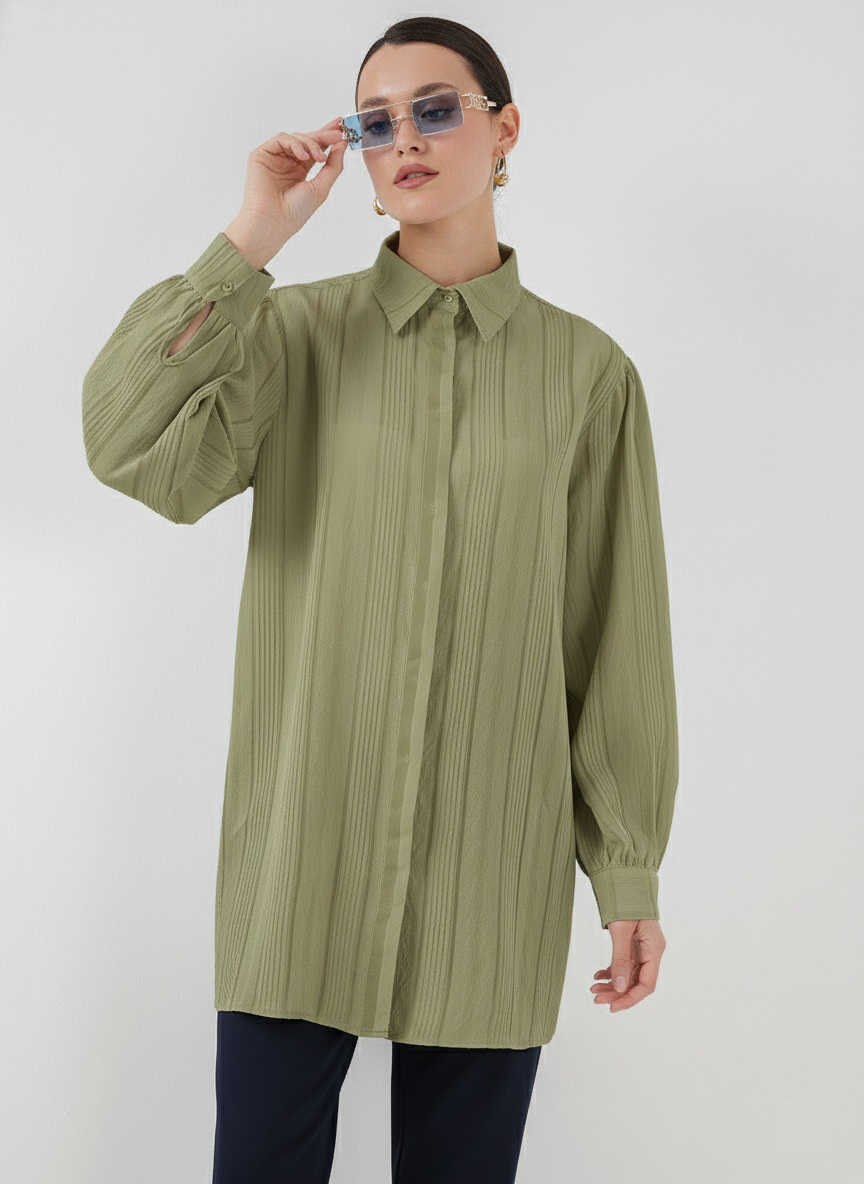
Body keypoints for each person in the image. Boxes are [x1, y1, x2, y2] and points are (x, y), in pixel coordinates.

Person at [81, 15, 679, 1184]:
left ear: (505, 130)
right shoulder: (290, 336)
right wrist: (252, 239)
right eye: (375, 121)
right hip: (302, 863)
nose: (404, 138)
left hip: (491, 874)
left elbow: (615, 636)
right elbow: (124, 444)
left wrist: (627, 871)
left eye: (436, 109)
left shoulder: (588, 375)